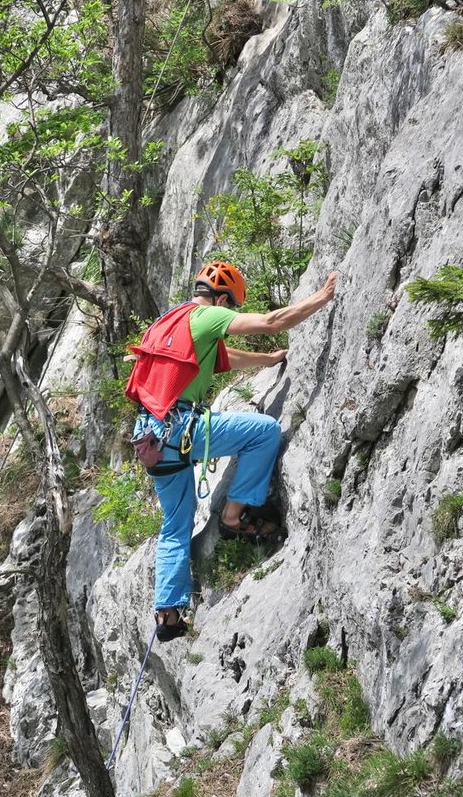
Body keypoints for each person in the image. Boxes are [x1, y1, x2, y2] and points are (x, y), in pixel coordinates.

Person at [128, 260, 338, 641]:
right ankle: (234, 514)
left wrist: (268, 360)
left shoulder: (168, 323)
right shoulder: (207, 316)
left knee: (175, 523)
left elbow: (225, 358)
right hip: (182, 430)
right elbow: (272, 321)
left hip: (151, 440)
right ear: (222, 298)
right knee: (265, 432)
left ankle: (169, 613)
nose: (230, 312)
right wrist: (321, 298)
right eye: (231, 306)